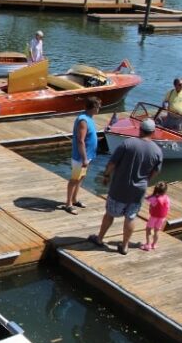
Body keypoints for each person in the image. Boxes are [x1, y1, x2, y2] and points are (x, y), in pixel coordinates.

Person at [89, 118, 163, 255]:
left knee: (110, 214)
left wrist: (106, 176)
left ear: (140, 129)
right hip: (138, 191)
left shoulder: (127, 144)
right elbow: (156, 171)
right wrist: (146, 180)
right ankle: (124, 246)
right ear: (153, 132)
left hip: (119, 188)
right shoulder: (157, 151)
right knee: (131, 217)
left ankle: (99, 239)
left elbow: (112, 163)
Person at [64, 96, 101, 215]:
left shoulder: (89, 118)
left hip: (88, 156)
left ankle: (75, 200)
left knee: (81, 178)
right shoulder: (83, 120)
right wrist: (84, 158)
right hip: (80, 157)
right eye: (99, 106)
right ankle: (68, 204)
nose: (100, 108)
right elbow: (81, 140)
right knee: (74, 179)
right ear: (94, 107)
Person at [141, 182, 170, 251]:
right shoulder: (167, 198)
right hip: (162, 218)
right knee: (156, 231)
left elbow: (146, 198)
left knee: (148, 229)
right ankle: (154, 244)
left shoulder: (154, 198)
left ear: (155, 190)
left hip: (153, 217)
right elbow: (168, 207)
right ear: (165, 190)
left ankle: (148, 245)